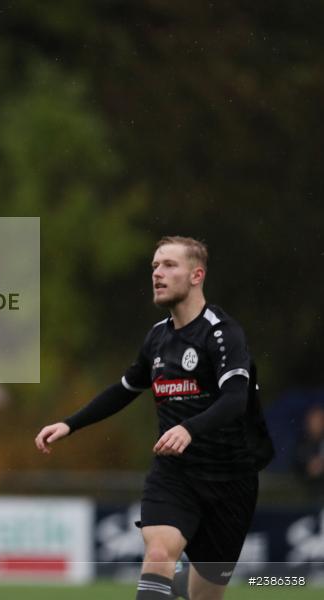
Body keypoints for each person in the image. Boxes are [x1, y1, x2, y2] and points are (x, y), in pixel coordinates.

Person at [35, 236, 273, 600]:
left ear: (197, 275)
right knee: (159, 554)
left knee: (204, 596)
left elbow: (235, 400)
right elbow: (125, 389)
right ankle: (165, 580)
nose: (157, 274)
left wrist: (189, 428)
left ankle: (177, 586)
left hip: (231, 479)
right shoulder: (158, 338)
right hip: (175, 473)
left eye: (169, 266)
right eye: (154, 267)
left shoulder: (222, 333)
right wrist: (70, 423)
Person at [293, 404, 324, 500]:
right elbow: (297, 465)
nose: (318, 424)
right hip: (311, 492)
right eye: (314, 421)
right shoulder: (302, 444)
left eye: (320, 421)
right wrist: (309, 469)